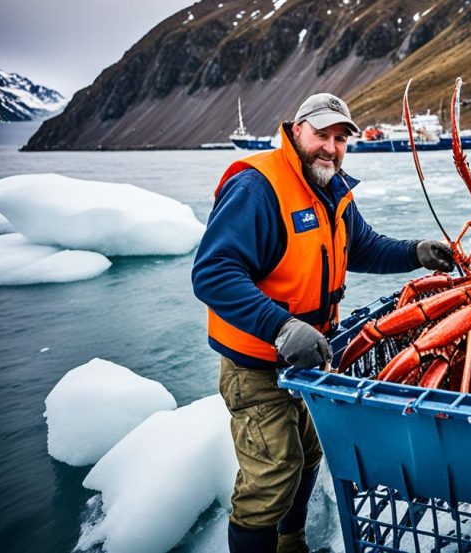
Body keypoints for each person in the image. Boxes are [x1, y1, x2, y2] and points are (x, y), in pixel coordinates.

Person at [192, 93, 454, 553]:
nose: (330, 147)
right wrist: (280, 326)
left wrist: (416, 252)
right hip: (256, 363)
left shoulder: (330, 188)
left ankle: (290, 542)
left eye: (340, 139)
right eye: (321, 135)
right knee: (272, 475)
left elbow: (365, 247)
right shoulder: (257, 186)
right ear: (296, 131)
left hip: (305, 362)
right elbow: (213, 273)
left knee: (308, 455)